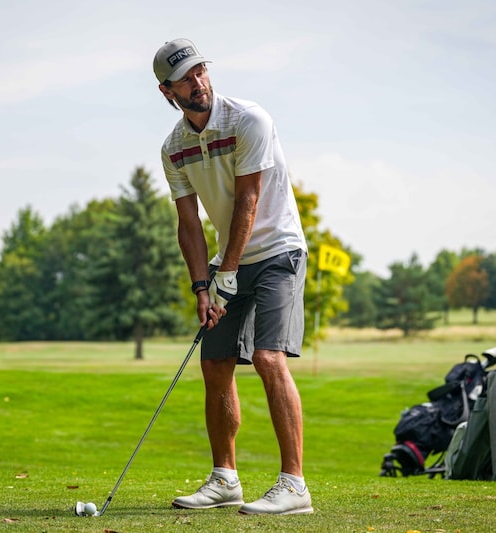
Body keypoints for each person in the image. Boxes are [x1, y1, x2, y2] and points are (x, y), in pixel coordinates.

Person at [153, 38, 312, 516]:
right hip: (229, 264)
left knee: (268, 356)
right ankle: (225, 479)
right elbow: (188, 224)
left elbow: (248, 201)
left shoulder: (249, 120)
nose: (197, 82)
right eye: (185, 78)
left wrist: (228, 272)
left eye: (200, 71)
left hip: (279, 250)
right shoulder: (174, 148)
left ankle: (294, 485)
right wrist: (203, 286)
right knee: (216, 363)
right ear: (167, 91)